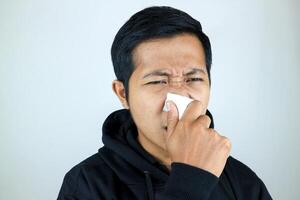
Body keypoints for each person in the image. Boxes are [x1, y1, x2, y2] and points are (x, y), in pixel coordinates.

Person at [57, 6, 272, 200]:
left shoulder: (243, 183)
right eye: (158, 81)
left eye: (193, 79)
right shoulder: (86, 185)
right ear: (123, 93)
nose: (177, 103)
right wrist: (190, 184)